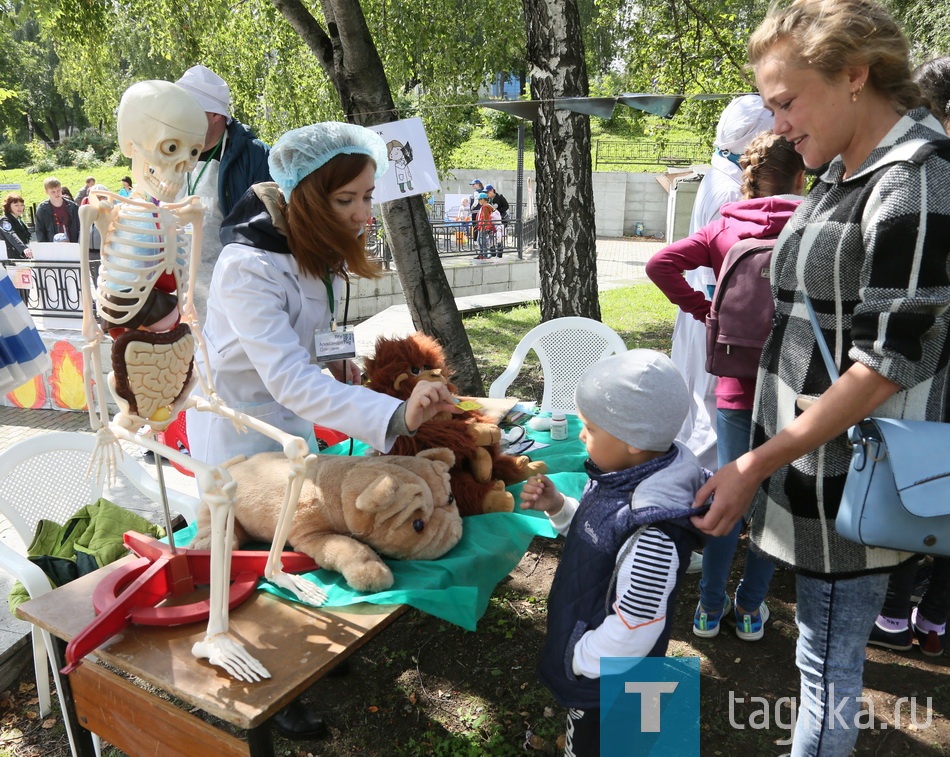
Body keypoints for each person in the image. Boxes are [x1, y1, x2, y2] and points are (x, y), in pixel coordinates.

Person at [691, 2, 950, 754]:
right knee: (816, 663)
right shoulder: (843, 168)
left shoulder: (917, 180)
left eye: (786, 99)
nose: (776, 123)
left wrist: (754, 461)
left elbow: (886, 364)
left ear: (854, 76)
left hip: (849, 483)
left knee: (827, 670)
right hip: (812, 472)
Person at [187, 121, 459, 739]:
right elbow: (284, 378)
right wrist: (393, 415)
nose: (364, 213)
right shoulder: (246, 265)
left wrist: (344, 366)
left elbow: (306, 352)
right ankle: (268, 695)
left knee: (299, 546)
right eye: (348, 200)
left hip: (288, 432)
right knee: (249, 570)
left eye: (367, 196)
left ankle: (303, 660)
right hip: (239, 436)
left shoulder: (302, 247)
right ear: (307, 195)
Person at [647, 131, 805, 642]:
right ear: (801, 175)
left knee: (729, 494)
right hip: (794, 386)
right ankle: (751, 607)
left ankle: (709, 610)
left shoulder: (724, 227)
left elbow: (660, 263)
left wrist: (705, 313)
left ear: (749, 179)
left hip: (735, 384)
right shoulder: (815, 224)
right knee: (773, 503)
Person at [521, 349, 708, 757]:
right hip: (604, 665)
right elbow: (597, 540)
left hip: (610, 679)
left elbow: (637, 623)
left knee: (602, 744)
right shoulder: (620, 477)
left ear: (632, 442)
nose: (582, 435)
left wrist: (581, 658)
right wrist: (559, 508)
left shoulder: (653, 529)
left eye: (589, 427)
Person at [867, 55, 950, 659]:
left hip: (926, 368)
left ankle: (897, 615)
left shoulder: (925, 172)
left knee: (913, 478)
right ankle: (932, 619)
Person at [175, 64, 272, 317]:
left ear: (215, 114)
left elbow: (267, 231)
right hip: (175, 288)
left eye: (188, 111)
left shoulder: (255, 156)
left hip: (231, 290)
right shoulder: (170, 151)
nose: (179, 119)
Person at [34, 177, 80, 243]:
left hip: (71, 243)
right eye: (53, 192)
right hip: (52, 245)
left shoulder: (72, 207)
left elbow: (78, 227)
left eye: (58, 190)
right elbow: (40, 231)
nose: (56, 193)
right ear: (46, 192)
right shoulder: (42, 209)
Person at [1, 193, 32, 259]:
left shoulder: (18, 219)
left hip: (22, 256)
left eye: (21, 205)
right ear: (9, 206)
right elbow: (12, 235)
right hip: (12, 257)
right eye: (16, 205)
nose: (20, 207)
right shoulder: (5, 221)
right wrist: (23, 248)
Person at [484, 184, 509, 256]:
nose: (487, 194)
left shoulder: (500, 197)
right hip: (492, 220)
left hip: (500, 219)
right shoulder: (488, 200)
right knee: (491, 235)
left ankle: (499, 252)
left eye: (488, 192)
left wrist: (498, 211)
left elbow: (506, 206)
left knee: (499, 236)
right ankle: (492, 252)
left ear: (492, 190)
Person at [473, 192, 500, 259]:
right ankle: (482, 254)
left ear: (483, 199)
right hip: (483, 227)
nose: (478, 201)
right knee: (481, 241)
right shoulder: (488, 206)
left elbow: (486, 218)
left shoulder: (485, 207)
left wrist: (483, 227)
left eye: (479, 199)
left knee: (482, 241)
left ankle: (483, 255)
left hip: (484, 227)